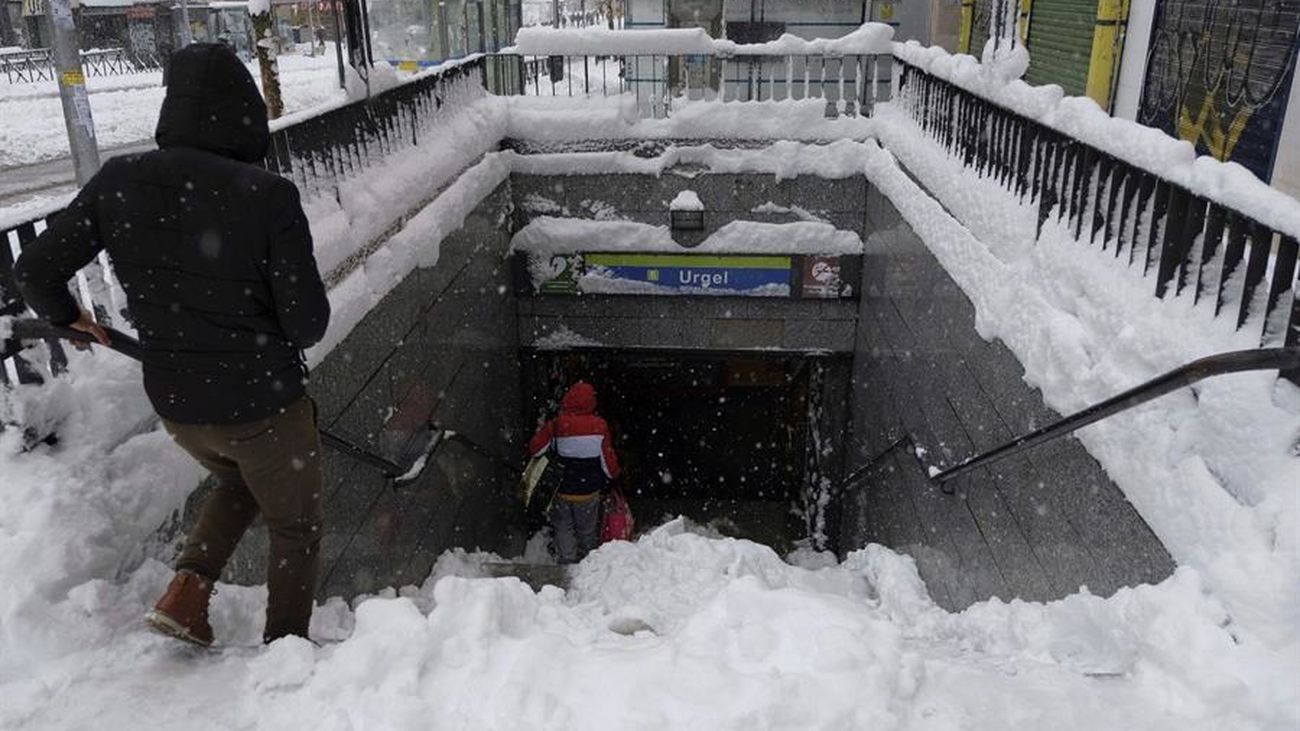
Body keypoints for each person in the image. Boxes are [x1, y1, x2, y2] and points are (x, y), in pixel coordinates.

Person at [12, 43, 330, 647]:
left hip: (178, 402)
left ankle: (187, 593)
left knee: (239, 481)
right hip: (263, 404)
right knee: (296, 526)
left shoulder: (118, 181)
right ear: (245, 112)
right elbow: (308, 324)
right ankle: (288, 652)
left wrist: (69, 316)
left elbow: (34, 270)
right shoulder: (267, 195)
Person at [527, 381, 622, 564]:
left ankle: (567, 562)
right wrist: (615, 476)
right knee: (587, 530)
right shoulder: (600, 426)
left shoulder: (556, 425)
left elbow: (535, 450)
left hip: (561, 489)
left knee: (563, 527)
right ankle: (589, 562)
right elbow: (608, 464)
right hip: (588, 492)